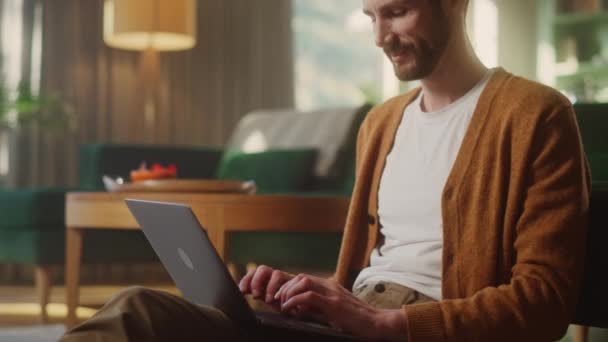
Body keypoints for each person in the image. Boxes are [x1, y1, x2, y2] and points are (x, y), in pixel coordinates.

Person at [61, 0, 590, 341]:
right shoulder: (381, 123)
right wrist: (309, 291)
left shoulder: (535, 114)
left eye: (398, 12)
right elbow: (361, 274)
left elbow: (543, 302)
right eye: (371, 16)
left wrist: (384, 324)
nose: (381, 35)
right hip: (352, 317)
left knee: (141, 316)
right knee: (165, 313)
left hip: (409, 328)